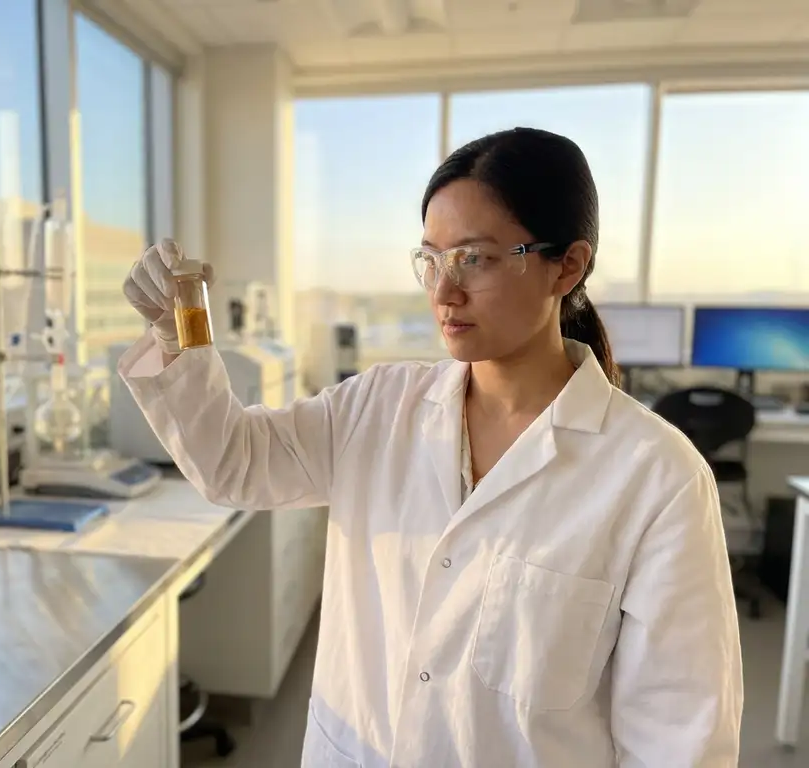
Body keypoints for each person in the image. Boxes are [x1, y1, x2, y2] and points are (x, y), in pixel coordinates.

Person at [119, 127, 743, 767]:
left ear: (569, 265)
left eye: (474, 258)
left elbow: (680, 740)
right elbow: (234, 466)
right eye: (431, 258)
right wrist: (179, 340)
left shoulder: (656, 476)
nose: (444, 291)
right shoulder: (378, 407)